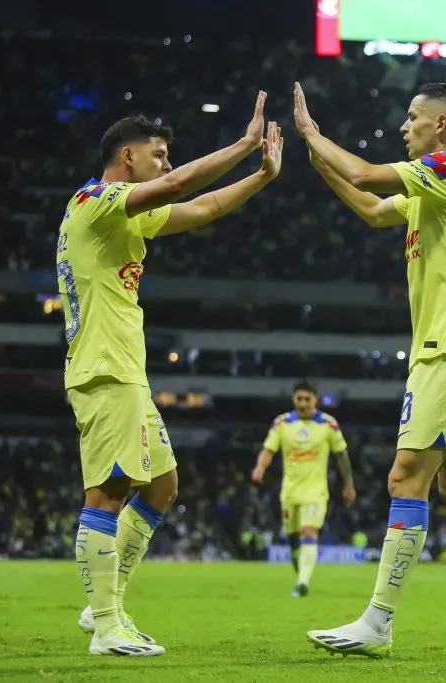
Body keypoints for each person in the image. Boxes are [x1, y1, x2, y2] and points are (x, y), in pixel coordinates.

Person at [293, 81, 446, 657]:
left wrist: (313, 133)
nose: (402, 126)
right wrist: (322, 165)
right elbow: (374, 208)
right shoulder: (440, 181)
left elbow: (364, 175)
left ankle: (377, 622)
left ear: (440, 125)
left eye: (411, 118)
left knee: (407, 477)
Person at [61, 93, 283, 656]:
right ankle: (108, 626)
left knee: (162, 487)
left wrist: (259, 176)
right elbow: (178, 188)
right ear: (128, 156)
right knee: (108, 492)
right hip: (105, 369)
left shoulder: (124, 215)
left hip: (125, 370)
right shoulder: (96, 201)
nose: (165, 163)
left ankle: (101, 603)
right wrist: (241, 144)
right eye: (159, 154)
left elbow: (202, 210)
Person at [251, 380, 357, 597]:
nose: (303, 403)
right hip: (289, 492)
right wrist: (260, 467)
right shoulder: (281, 423)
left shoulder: (328, 424)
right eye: (299, 399)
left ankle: (302, 583)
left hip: (316, 491)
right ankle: (301, 574)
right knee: (292, 538)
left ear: (315, 399)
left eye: (307, 399)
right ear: (293, 399)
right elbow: (268, 449)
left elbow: (342, 455)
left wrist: (349, 484)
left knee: (309, 531)